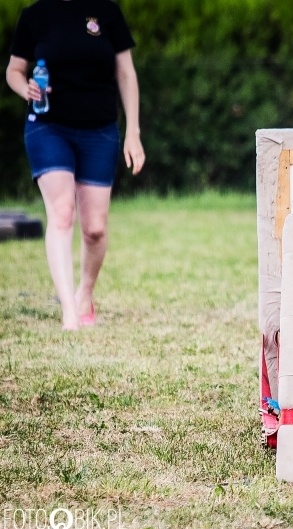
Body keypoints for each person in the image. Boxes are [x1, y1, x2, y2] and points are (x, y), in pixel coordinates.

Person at [5, 0, 145, 330]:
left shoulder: (107, 12)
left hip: (99, 130)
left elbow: (126, 73)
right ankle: (69, 310)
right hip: (48, 127)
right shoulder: (35, 15)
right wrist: (23, 87)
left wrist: (133, 132)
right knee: (63, 212)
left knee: (95, 228)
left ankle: (85, 294)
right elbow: (14, 70)